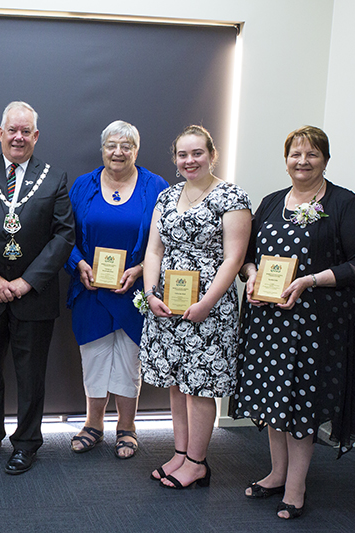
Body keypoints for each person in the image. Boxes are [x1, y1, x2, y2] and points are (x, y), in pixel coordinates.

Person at [230, 126, 355, 519]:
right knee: (274, 399)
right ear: (286, 159)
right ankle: (277, 474)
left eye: (311, 154)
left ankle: (295, 488)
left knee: (300, 406)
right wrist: (251, 276)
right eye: (295, 154)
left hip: (316, 325)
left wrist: (310, 280)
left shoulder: (344, 203)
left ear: (325, 160)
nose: (302, 161)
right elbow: (246, 256)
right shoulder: (271, 202)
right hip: (268, 322)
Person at [0, 101, 75, 475]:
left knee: (31, 373)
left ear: (36, 136)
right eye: (12, 130)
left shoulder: (54, 178)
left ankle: (26, 443)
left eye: (26, 131)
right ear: (0, 133)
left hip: (33, 297)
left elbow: (64, 236)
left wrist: (25, 282)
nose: (18, 137)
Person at [139, 125, 251, 489]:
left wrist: (206, 303)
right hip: (168, 304)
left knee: (200, 385)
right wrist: (151, 293)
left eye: (197, 153)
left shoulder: (231, 197)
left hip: (208, 306)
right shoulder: (167, 197)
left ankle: (198, 463)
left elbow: (233, 260)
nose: (190, 160)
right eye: (183, 155)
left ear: (212, 155)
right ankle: (181, 453)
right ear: (175, 160)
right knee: (176, 382)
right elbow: (154, 250)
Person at [65, 120, 168, 458]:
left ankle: (127, 427)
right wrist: (79, 264)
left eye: (127, 146)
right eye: (112, 144)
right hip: (91, 290)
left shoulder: (156, 187)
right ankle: (93, 424)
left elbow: (166, 239)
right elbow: (64, 235)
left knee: (128, 360)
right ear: (102, 148)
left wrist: (140, 271)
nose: (118, 152)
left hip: (134, 292)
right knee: (93, 358)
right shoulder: (83, 185)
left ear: (136, 150)